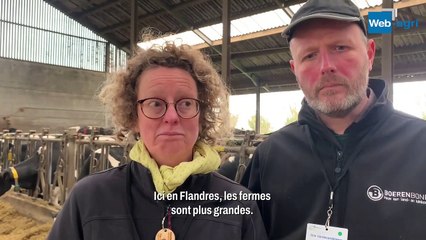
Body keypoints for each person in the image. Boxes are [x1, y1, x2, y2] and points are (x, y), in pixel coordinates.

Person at [48, 35, 267, 239]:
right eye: (155, 103)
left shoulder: (239, 205)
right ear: (134, 117)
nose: (171, 116)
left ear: (201, 116)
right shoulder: (89, 198)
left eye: (186, 103)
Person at [241, 0, 426, 239]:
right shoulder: (269, 156)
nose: (326, 67)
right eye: (309, 56)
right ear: (294, 69)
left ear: (370, 54)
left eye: (340, 48)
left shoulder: (420, 146)